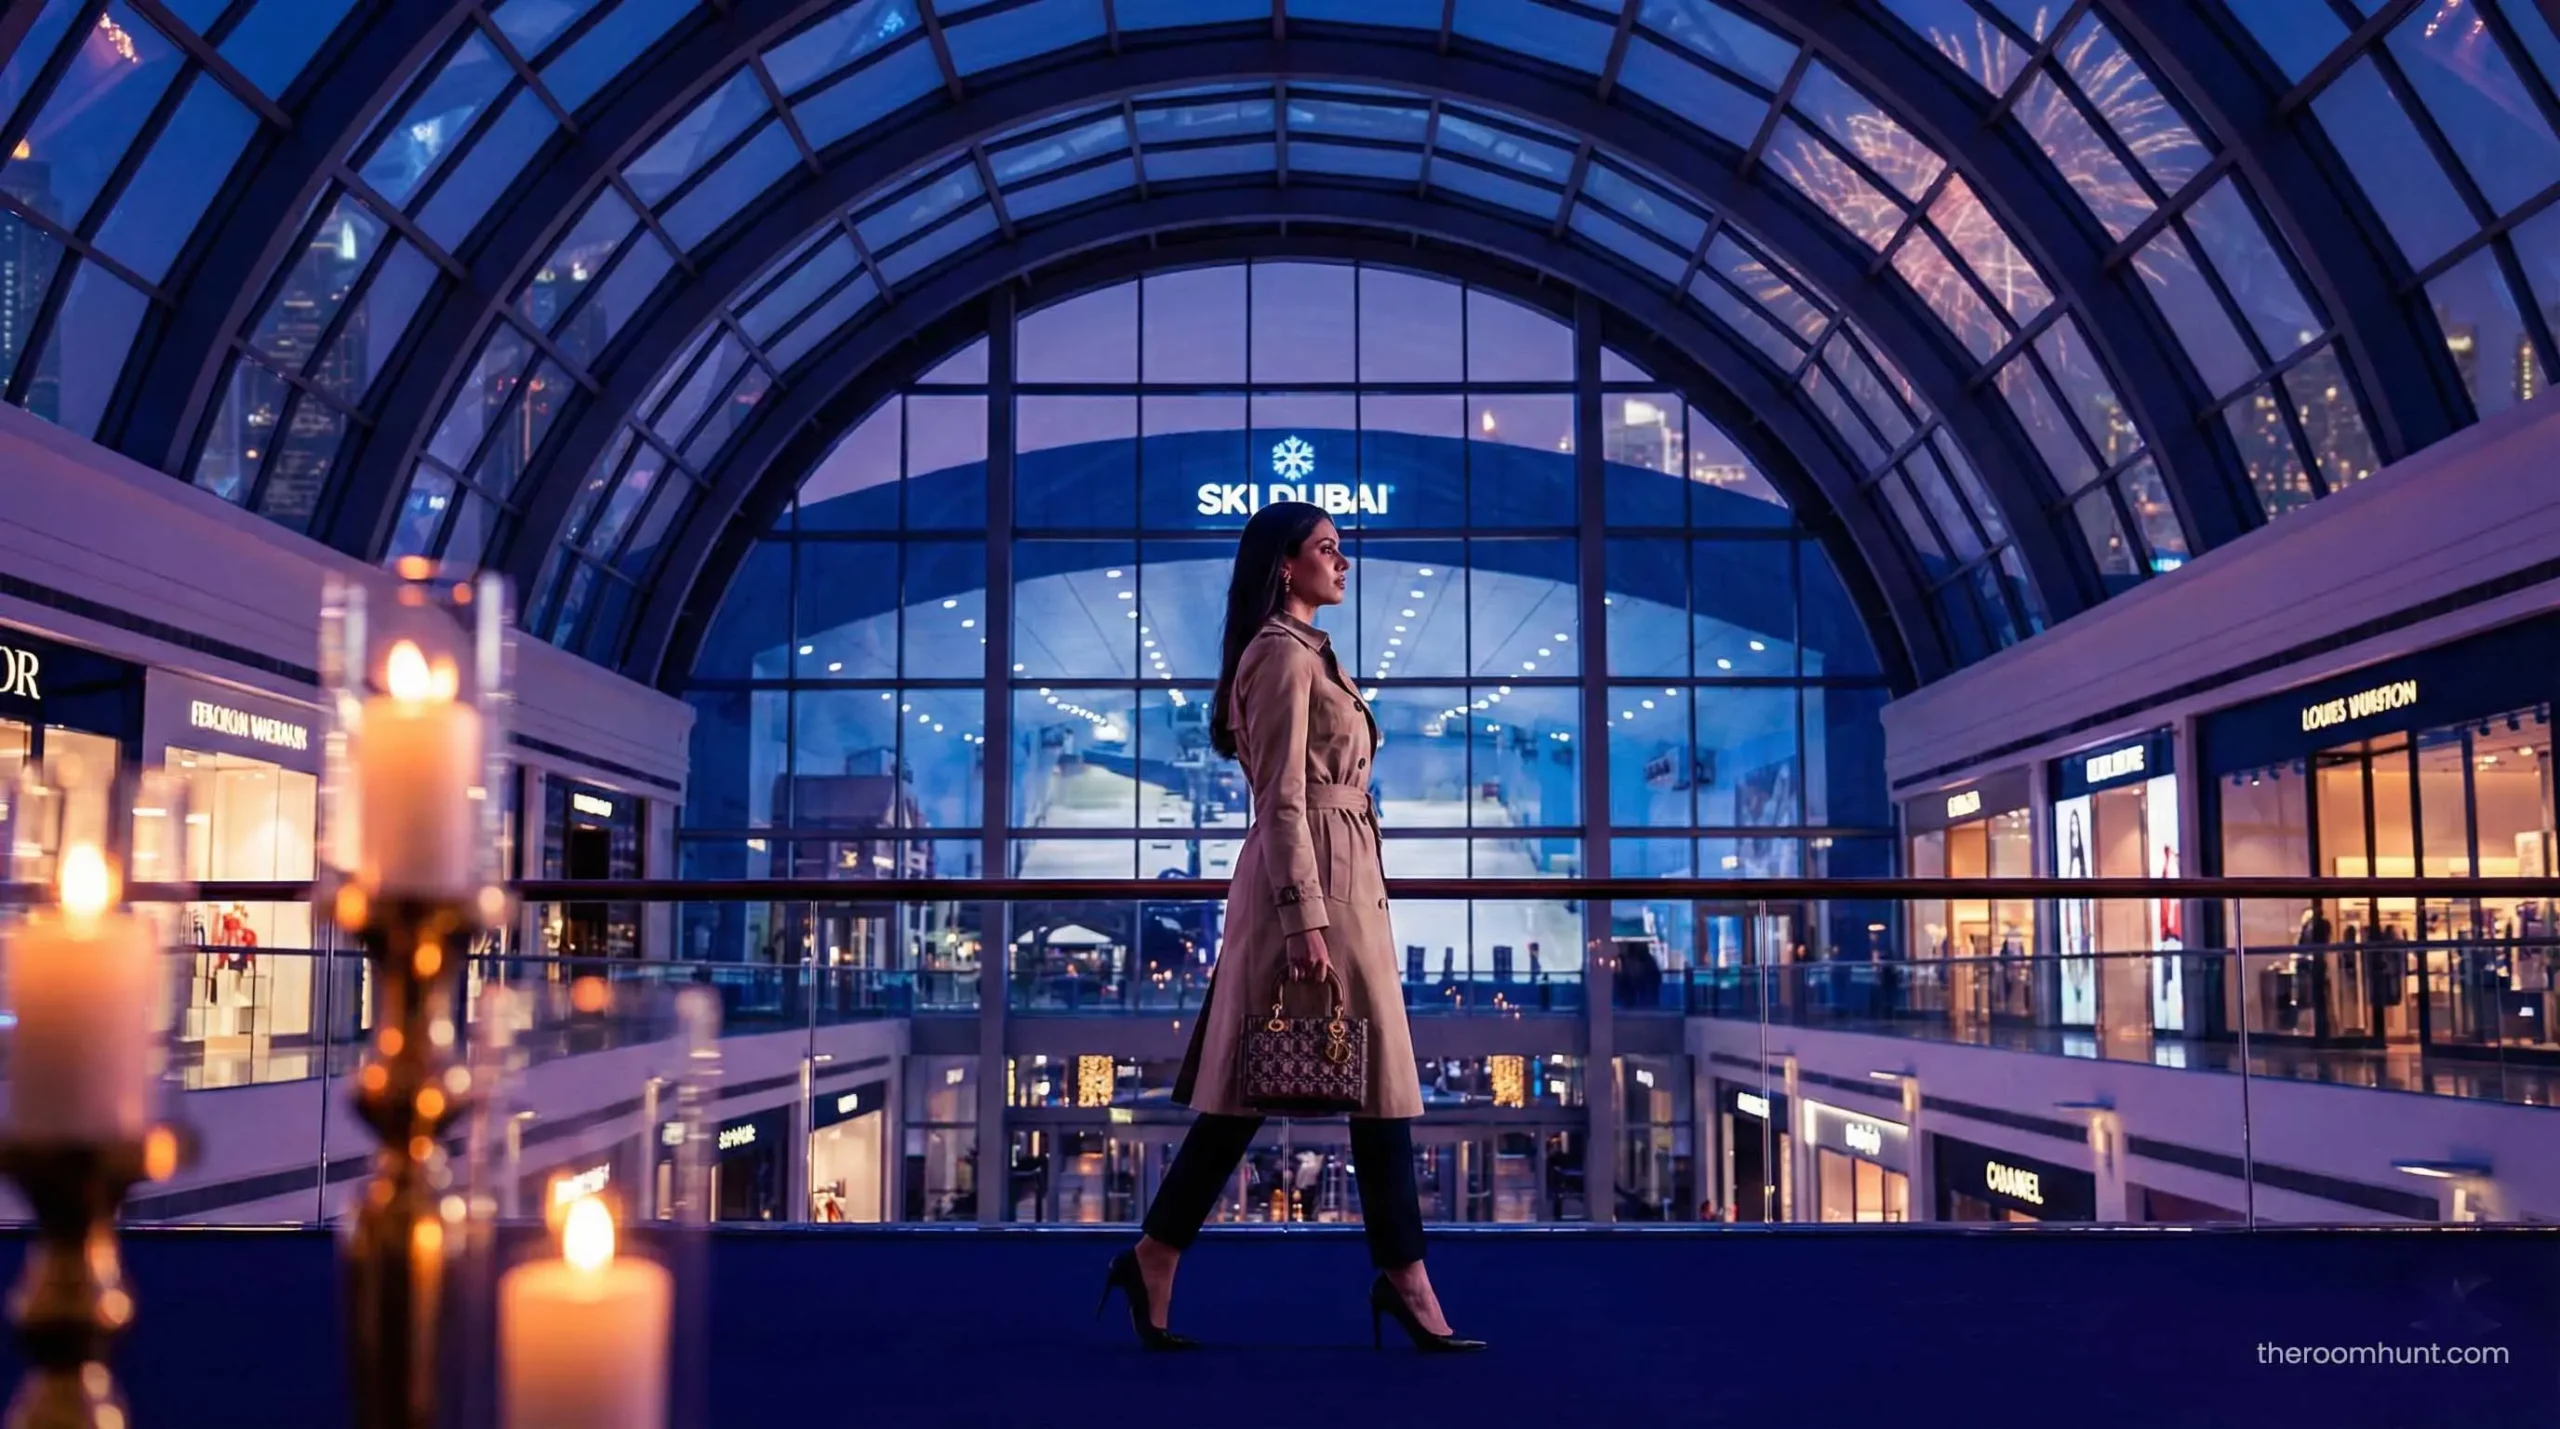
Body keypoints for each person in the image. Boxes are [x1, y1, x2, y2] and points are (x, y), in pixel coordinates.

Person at [1099, 502, 1482, 1355]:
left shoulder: (1309, 652)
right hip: (1311, 893)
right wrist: (1306, 921)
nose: (1343, 563)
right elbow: (1279, 799)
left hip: (1340, 882)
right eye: (1327, 549)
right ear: (1285, 564)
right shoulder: (1279, 655)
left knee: (1271, 1094)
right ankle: (1404, 1279)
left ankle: (1155, 1255)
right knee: (1343, 1087)